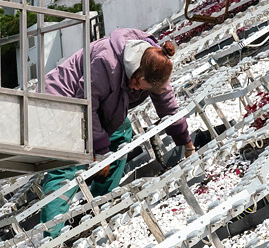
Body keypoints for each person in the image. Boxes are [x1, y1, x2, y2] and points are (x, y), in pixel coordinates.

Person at [38, 28, 195, 237]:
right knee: (69, 165)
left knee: (122, 136)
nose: (138, 90)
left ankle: (97, 207)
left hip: (96, 108)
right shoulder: (107, 62)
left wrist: (185, 141)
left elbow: (167, 106)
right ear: (137, 74)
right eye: (139, 86)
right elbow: (84, 105)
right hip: (62, 103)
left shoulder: (156, 64)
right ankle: (51, 239)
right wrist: (101, 151)